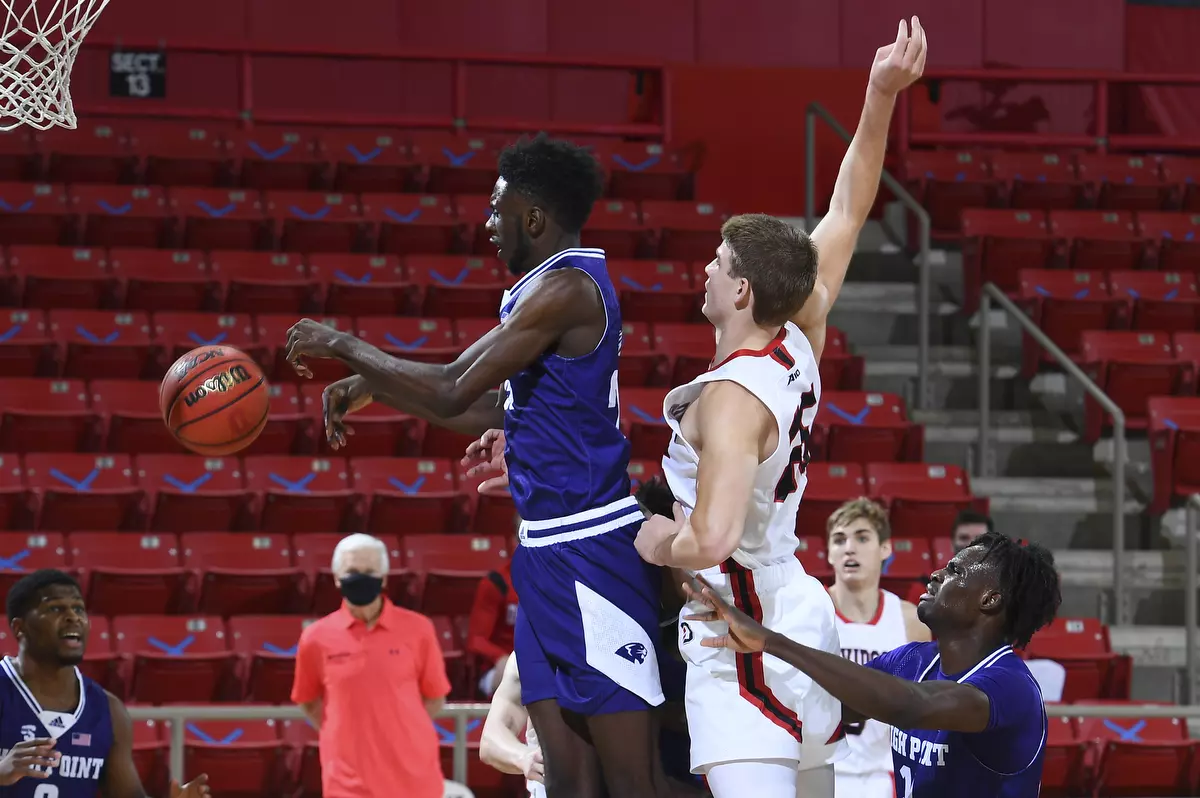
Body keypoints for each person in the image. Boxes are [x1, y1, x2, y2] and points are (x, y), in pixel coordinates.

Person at [284, 134, 678, 798]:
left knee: (631, 783)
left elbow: (451, 388)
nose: (487, 224)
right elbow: (489, 407)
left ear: (533, 218)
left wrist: (343, 345)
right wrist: (379, 388)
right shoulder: (542, 293)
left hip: (592, 555)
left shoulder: (569, 289)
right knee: (565, 782)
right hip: (544, 554)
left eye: (498, 209)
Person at [629, 18, 927, 798]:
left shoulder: (730, 401)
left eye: (718, 262)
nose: (705, 266)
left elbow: (710, 538)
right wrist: (877, 93)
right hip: (797, 604)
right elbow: (850, 205)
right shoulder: (798, 331)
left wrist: (654, 537)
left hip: (743, 635)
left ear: (741, 291)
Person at [684, 530, 1062, 798]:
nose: (935, 574)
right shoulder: (916, 660)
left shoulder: (1011, 686)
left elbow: (911, 705)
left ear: (990, 600)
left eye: (955, 572)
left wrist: (772, 642)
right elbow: (835, 703)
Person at [0, 569, 209, 798]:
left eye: (79, 608)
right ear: (20, 628)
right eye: (55, 609)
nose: (73, 617)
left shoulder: (108, 710)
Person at [291, 533, 451, 798]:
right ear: (336, 577)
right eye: (352, 571)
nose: (361, 577)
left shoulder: (418, 629)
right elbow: (309, 702)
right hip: (347, 783)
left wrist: (396, 729)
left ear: (384, 578)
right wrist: (351, 734)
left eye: (369, 571)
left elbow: (434, 697)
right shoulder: (315, 638)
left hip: (414, 780)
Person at [825, 498, 930, 798]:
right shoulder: (811, 612)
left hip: (884, 774)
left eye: (862, 537)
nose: (849, 548)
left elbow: (920, 708)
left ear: (885, 548)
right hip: (819, 768)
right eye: (839, 539)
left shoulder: (911, 621)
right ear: (829, 553)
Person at [465, 560, 519, 696]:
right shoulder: (497, 582)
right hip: (498, 667)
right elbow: (476, 640)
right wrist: (500, 657)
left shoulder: (560, 581)